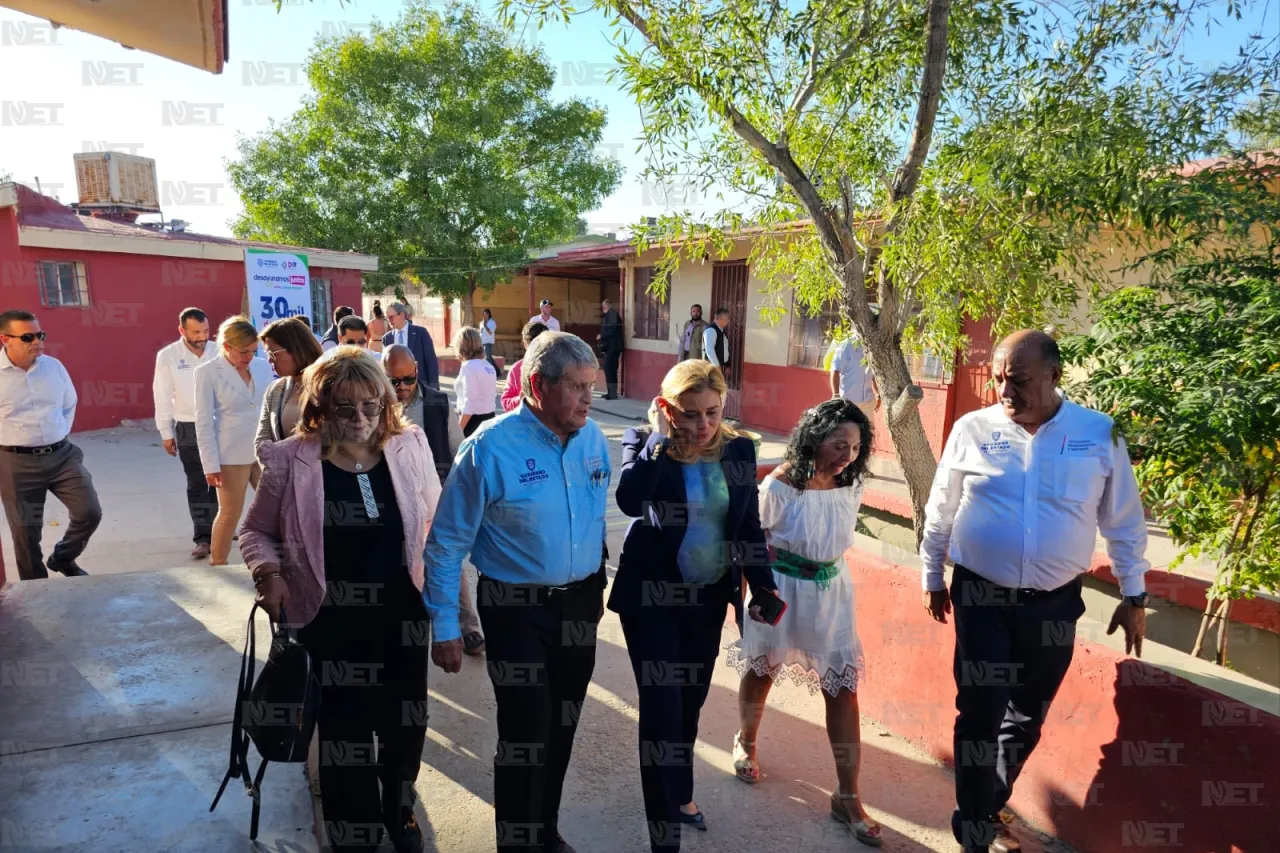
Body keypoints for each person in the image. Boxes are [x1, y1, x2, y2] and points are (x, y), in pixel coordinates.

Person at [921, 329, 1150, 853]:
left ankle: (979, 805)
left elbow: (1123, 523)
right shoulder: (972, 429)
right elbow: (941, 510)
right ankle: (975, 830)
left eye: (1018, 380)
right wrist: (932, 576)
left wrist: (1134, 595)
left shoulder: (1098, 434)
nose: (1005, 391)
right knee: (979, 711)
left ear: (1054, 375)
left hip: (1054, 603)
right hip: (982, 597)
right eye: (999, 378)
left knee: (1026, 716)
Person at [241, 349, 442, 853]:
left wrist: (457, 615)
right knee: (345, 733)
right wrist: (268, 573)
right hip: (330, 620)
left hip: (402, 614)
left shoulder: (409, 445)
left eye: (372, 406)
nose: (360, 420)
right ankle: (354, 829)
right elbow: (255, 531)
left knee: (406, 724)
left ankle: (399, 811)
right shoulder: (291, 459)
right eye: (345, 408)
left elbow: (438, 530)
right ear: (321, 406)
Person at [424, 332, 610, 853]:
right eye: (575, 387)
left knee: (563, 724)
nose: (587, 399)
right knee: (527, 731)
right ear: (536, 385)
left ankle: (544, 830)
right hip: (515, 610)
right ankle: (517, 842)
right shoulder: (489, 446)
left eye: (590, 386)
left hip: (579, 604)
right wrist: (445, 626)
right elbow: (444, 545)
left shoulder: (594, 439)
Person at [612, 360, 778, 853]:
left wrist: (763, 587)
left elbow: (746, 526)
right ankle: (664, 837)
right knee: (662, 712)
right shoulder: (642, 441)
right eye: (689, 414)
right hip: (652, 599)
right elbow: (628, 499)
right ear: (667, 409)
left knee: (689, 703)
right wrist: (662, 441)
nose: (702, 426)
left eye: (711, 412)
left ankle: (680, 793)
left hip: (706, 597)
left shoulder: (739, 449)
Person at [729, 398, 881, 847]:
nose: (846, 457)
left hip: (833, 594)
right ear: (815, 437)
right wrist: (746, 601)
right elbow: (751, 543)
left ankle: (848, 795)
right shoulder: (780, 487)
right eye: (839, 444)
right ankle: (746, 741)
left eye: (854, 448)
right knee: (761, 672)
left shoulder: (850, 485)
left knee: (843, 688)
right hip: (781, 590)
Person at [383, 344, 484, 657]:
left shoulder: (438, 402)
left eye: (406, 380)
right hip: (393, 499)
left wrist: (463, 492)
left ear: (416, 370)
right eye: (393, 381)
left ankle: (469, 627)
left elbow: (458, 449)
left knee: (446, 559)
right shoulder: (374, 404)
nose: (400, 388)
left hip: (436, 494)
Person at [0, 310, 100, 579]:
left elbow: (69, 404)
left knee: (89, 512)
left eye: (39, 335)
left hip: (62, 456)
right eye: (27, 337)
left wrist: (58, 434)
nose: (37, 341)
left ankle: (63, 558)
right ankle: (36, 594)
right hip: (16, 463)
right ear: (5, 339)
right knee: (25, 533)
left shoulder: (54, 367)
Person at [194, 316, 273, 566]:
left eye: (252, 350)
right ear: (226, 346)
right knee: (230, 513)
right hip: (230, 454)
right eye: (243, 351)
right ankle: (219, 564)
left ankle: (276, 563)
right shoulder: (207, 373)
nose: (249, 357)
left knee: (277, 509)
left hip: (266, 449)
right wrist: (210, 464)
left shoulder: (262, 367)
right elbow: (203, 421)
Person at [154, 307, 219, 559]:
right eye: (196, 332)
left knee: (221, 479)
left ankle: (220, 526)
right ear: (182, 330)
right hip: (188, 426)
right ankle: (203, 538)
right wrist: (166, 432)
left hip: (218, 424)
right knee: (197, 483)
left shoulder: (218, 350)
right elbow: (161, 395)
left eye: (205, 330)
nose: (202, 336)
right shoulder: (168, 356)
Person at [255, 316, 325, 460]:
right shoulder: (275, 389)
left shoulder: (331, 385)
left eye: (273, 354)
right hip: (287, 478)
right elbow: (262, 439)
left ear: (296, 350)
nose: (269, 360)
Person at [453, 326, 498, 438]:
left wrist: (459, 429)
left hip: (472, 422)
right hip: (489, 420)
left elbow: (470, 403)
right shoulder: (488, 366)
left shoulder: (468, 367)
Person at [382, 302, 439, 389]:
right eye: (387, 318)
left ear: (401, 315)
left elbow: (431, 360)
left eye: (391, 317)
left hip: (419, 384)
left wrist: (433, 385)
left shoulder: (421, 333)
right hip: (396, 387)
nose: (389, 320)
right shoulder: (387, 338)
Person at [826, 333, 880, 421]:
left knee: (868, 433)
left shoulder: (873, 346)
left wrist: (878, 395)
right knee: (849, 432)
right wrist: (836, 395)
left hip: (868, 401)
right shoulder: (847, 344)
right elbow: (835, 369)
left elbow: (874, 374)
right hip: (849, 401)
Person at [500, 320, 549, 414]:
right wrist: (520, 399)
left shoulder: (559, 366)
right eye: (534, 344)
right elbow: (505, 401)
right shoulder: (517, 369)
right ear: (526, 344)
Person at [598, 298, 623, 400]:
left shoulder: (612, 314)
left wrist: (601, 336)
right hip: (612, 347)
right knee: (610, 369)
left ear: (606, 306)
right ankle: (611, 392)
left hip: (613, 347)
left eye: (603, 306)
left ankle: (612, 393)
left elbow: (611, 330)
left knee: (609, 369)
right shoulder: (611, 314)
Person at [702, 308, 732, 377]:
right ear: (720, 318)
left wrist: (727, 365)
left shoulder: (721, 330)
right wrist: (717, 366)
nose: (728, 321)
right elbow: (709, 350)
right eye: (727, 318)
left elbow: (725, 348)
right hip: (712, 368)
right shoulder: (711, 330)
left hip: (720, 367)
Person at [480, 308, 502, 377]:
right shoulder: (481, 323)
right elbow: (481, 332)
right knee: (489, 358)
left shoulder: (492, 322)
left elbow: (490, 332)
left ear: (488, 314)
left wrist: (485, 325)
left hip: (488, 342)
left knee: (488, 358)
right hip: (482, 342)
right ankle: (497, 372)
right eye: (483, 314)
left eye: (485, 314)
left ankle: (490, 374)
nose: (484, 316)